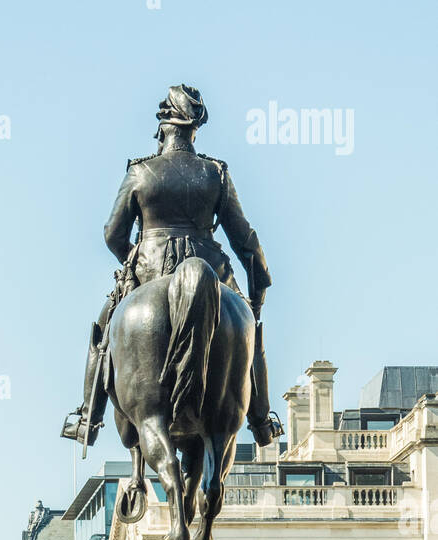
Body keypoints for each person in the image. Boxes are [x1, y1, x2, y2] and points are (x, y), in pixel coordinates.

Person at [61, 83, 282, 450]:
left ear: (163, 127)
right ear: (194, 129)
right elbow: (245, 239)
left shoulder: (140, 172)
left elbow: (113, 234)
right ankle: (261, 420)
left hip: (148, 267)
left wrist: (133, 260)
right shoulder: (216, 174)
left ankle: (88, 418)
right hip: (211, 267)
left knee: (103, 332)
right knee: (251, 332)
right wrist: (257, 289)